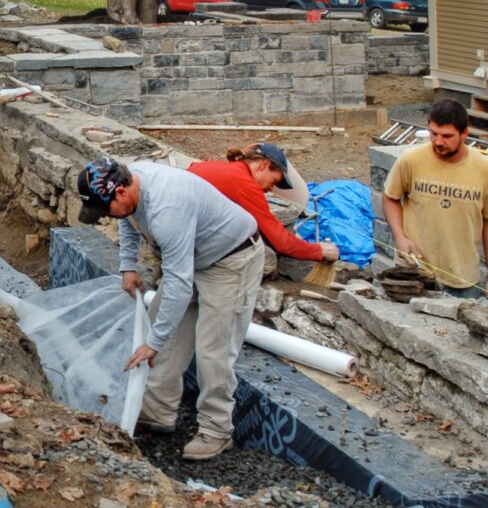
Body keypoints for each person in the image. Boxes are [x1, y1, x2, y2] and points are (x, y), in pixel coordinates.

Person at [77, 156, 264, 460]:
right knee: (159, 326)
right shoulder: (130, 187)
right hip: (194, 256)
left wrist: (154, 343)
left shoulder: (168, 210)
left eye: (104, 209)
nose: (105, 217)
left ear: (121, 192)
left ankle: (216, 430)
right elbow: (128, 220)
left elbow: (178, 284)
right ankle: (157, 410)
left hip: (231, 261)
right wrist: (127, 265)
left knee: (213, 349)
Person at [382, 99, 488, 303]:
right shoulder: (411, 160)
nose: (438, 141)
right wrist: (400, 237)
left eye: (447, 136)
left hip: (462, 278)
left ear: (464, 134)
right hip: (414, 271)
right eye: (434, 133)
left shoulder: (486, 170)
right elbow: (390, 198)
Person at [187, 142, 339, 274]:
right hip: (188, 245)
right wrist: (319, 251)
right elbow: (282, 243)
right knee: (266, 258)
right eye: (274, 181)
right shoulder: (244, 184)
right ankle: (215, 284)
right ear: (264, 165)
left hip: (177, 230)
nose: (270, 189)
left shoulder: (208, 165)